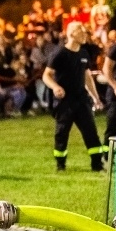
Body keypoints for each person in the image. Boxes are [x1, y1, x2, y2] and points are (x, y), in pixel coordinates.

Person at [41, 21, 105, 172]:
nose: (84, 34)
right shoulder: (59, 53)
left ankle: (97, 164)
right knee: (61, 133)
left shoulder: (83, 53)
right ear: (71, 34)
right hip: (65, 102)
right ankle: (60, 164)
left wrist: (95, 97)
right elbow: (46, 75)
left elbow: (87, 77)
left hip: (82, 100)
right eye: (80, 31)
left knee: (91, 132)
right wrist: (56, 87)